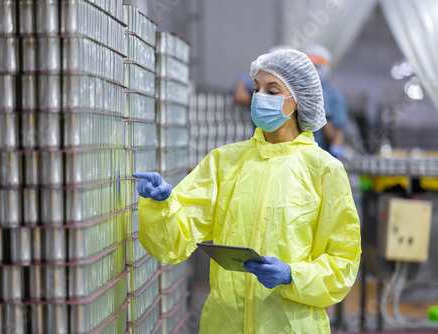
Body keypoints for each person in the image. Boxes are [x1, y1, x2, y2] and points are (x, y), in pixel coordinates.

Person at [133, 50, 361, 333]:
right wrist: (163, 205)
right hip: (225, 322)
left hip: (290, 325)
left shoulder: (324, 170)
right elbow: (173, 243)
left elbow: (343, 260)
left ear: (299, 100)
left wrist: (293, 275)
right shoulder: (224, 162)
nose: (258, 97)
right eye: (256, 89)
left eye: (272, 90)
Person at [303, 44, 348, 159]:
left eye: (317, 67)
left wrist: (335, 149)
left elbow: (337, 132)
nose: (313, 71)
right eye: (309, 66)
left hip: (320, 154)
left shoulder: (333, 96)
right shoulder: (295, 92)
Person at [232, 45, 296, 105]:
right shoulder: (255, 78)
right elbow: (240, 97)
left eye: (272, 92)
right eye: (256, 90)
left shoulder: (296, 85)